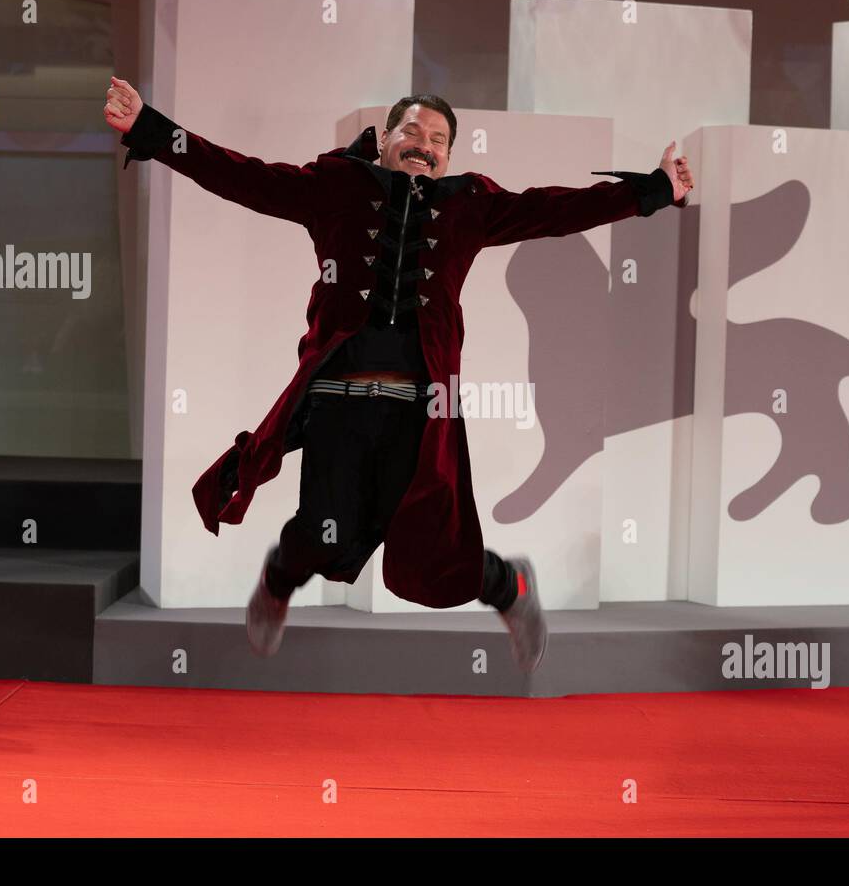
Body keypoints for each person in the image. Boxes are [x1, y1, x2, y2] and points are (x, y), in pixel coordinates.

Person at [104, 76, 692, 673]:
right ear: (385, 138)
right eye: (412, 130)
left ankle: (510, 588)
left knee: (435, 547)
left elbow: (557, 209)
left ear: (448, 156)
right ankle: (279, 581)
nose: (425, 144)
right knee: (323, 536)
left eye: (438, 139)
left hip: (421, 413)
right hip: (339, 399)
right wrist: (150, 128)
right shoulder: (334, 187)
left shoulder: (471, 205)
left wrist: (656, 189)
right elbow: (243, 176)